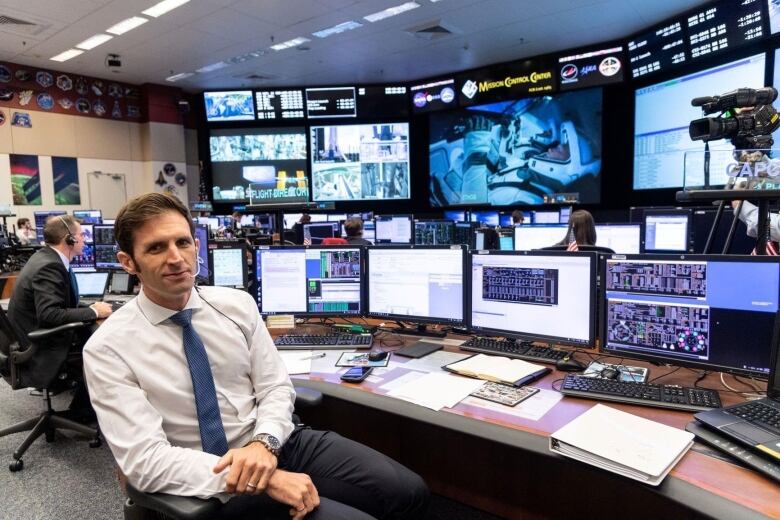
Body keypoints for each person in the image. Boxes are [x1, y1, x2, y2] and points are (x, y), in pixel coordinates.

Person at [83, 193, 428, 519]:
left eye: (182, 242)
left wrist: (264, 445)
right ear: (128, 262)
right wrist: (261, 477)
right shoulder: (108, 348)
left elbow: (275, 388)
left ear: (196, 245)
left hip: (274, 441)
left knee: (409, 491)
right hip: (207, 473)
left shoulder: (237, 305)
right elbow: (145, 462)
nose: (175, 258)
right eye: (156, 247)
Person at [8, 215, 112, 417]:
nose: (85, 239)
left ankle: (83, 407)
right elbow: (50, 314)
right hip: (38, 350)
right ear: (69, 239)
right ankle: (84, 411)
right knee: (101, 347)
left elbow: (61, 304)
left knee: (93, 334)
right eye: (81, 235)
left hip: (28, 341)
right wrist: (93, 311)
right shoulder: (50, 266)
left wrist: (92, 308)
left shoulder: (46, 257)